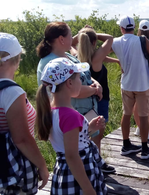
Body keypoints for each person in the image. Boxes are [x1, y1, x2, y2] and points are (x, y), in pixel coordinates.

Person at [36, 22, 115, 174]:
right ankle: (86, 174)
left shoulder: (64, 56)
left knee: (90, 139)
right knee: (78, 148)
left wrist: (95, 83)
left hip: (84, 110)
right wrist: (94, 91)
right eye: (70, 35)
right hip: (74, 112)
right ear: (61, 39)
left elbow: (82, 74)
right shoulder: (51, 62)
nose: (73, 38)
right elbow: (73, 91)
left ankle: (95, 166)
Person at [36, 57, 107, 195]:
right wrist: (88, 189)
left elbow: (69, 141)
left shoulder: (51, 111)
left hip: (63, 172)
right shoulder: (71, 116)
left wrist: (89, 128)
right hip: (79, 173)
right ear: (69, 82)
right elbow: (72, 155)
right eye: (79, 78)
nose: (81, 82)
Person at [0, 33, 48, 194]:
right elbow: (21, 139)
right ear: (17, 59)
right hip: (13, 169)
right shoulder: (11, 92)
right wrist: (42, 165)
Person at [112, 16, 149, 159]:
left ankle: (126, 144)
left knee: (126, 114)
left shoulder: (115, 41)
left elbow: (102, 52)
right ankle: (145, 148)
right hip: (142, 84)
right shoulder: (142, 40)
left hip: (126, 84)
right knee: (144, 116)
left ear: (121, 28)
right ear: (134, 28)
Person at [76, 25, 119, 152]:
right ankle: (97, 162)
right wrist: (94, 33)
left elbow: (72, 43)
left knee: (85, 133)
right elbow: (110, 38)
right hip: (100, 100)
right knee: (97, 136)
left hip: (85, 101)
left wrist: (82, 33)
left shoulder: (76, 57)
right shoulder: (96, 59)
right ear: (94, 42)